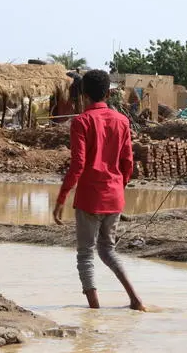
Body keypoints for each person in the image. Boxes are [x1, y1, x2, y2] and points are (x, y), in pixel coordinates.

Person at [53, 69, 145, 311]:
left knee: (85, 255)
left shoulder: (81, 122)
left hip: (90, 199)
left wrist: (62, 198)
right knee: (107, 250)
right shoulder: (122, 121)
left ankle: (94, 310)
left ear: (83, 94)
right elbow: (128, 163)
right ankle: (135, 299)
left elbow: (78, 164)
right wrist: (118, 188)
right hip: (114, 197)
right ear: (107, 93)